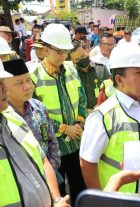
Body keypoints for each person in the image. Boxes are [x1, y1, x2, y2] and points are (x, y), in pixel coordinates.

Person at [80, 43, 140, 194]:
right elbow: (87, 162)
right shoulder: (102, 116)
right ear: (119, 80)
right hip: (125, 199)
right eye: (138, 73)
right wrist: (101, 202)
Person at [30, 23, 88, 206]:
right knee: (59, 193)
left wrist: (79, 123)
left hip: (77, 143)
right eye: (59, 51)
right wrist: (64, 129)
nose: (63, 56)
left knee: (80, 188)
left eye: (66, 51)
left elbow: (82, 99)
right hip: (53, 148)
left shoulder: (71, 69)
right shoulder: (34, 75)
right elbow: (33, 115)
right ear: (46, 49)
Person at [0, 59, 70, 207]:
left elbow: (50, 146)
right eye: (19, 83)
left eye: (28, 80)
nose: (27, 86)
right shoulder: (9, 116)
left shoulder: (37, 108)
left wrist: (53, 190)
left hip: (49, 182)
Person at [69, 42, 103, 111]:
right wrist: (85, 111)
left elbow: (110, 92)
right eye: (77, 59)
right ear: (72, 61)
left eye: (83, 56)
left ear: (87, 50)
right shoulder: (71, 75)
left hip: (102, 112)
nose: (81, 60)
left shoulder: (101, 69)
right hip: (81, 117)